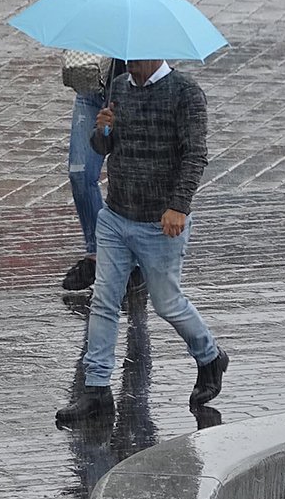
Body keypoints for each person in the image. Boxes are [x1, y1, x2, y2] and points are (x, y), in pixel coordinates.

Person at [56, 58, 229, 423]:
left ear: (156, 51)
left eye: (134, 55)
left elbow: (195, 155)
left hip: (160, 224)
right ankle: (97, 390)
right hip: (116, 217)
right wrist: (102, 132)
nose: (128, 62)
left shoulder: (185, 93)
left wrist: (178, 206)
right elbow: (105, 148)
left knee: (168, 304)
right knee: (104, 301)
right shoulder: (118, 88)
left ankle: (210, 355)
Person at [61, 0, 181, 291]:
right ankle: (98, 253)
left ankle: (133, 260)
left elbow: (165, 27)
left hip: (134, 89)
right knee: (81, 172)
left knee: (130, 177)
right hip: (94, 87)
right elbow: (78, 7)